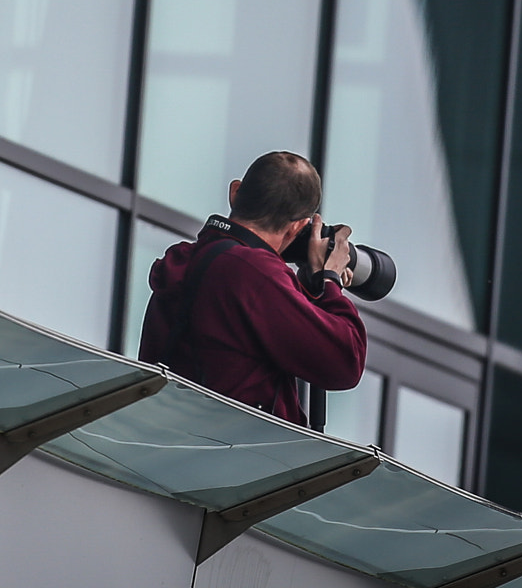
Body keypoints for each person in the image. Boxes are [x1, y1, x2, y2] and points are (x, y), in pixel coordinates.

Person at [137, 151, 366, 427]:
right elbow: (344, 362)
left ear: (235, 192)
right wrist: (331, 281)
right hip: (235, 455)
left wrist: (309, 286)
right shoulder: (253, 272)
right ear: (297, 228)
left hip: (164, 440)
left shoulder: (187, 260)